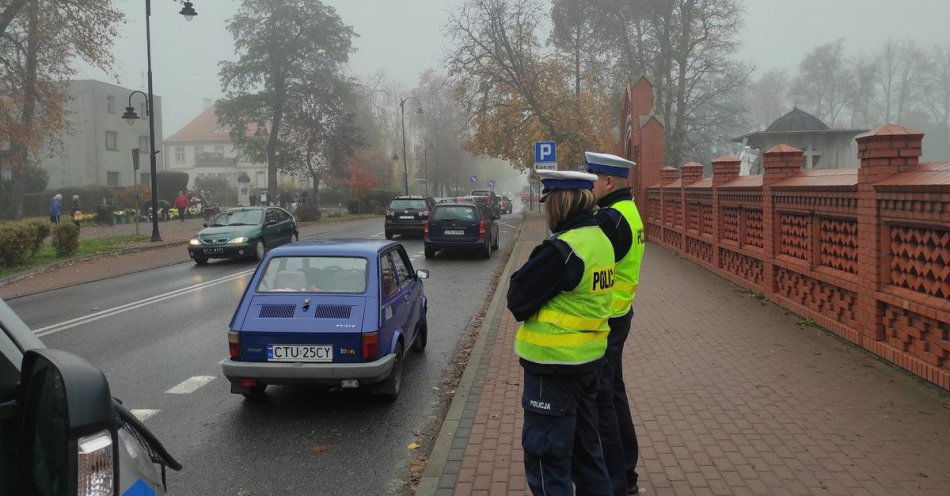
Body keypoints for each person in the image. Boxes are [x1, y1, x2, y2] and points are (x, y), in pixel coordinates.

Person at [507, 169, 615, 496]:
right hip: (588, 364)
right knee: (588, 456)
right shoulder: (600, 240)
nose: (547, 210)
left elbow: (518, 299)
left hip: (553, 371)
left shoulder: (562, 251)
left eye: (549, 202)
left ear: (561, 202)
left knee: (547, 462)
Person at [586, 152, 646, 495]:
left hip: (607, 320)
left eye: (592, 176)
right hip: (621, 314)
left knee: (604, 401)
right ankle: (626, 469)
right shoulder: (630, 211)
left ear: (608, 182)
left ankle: (617, 480)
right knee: (615, 394)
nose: (588, 182)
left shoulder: (611, 219)